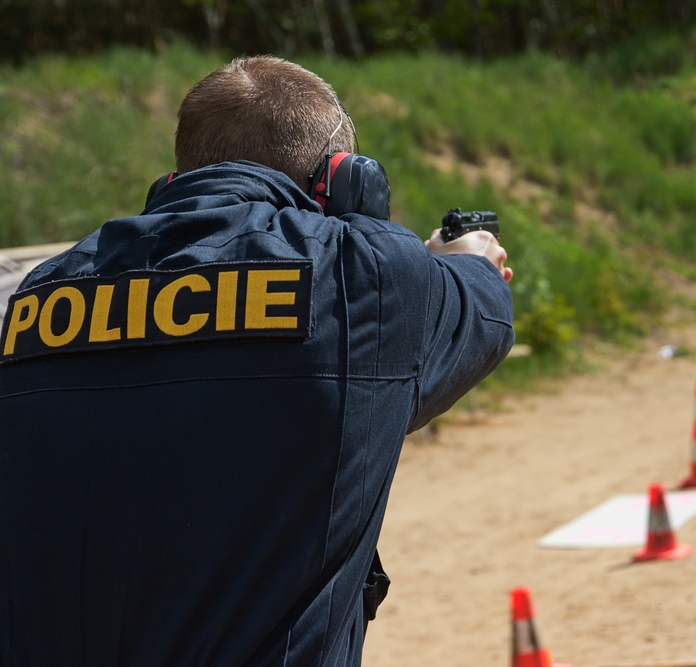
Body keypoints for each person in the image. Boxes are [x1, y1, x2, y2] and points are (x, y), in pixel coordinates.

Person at [0, 56, 514, 667]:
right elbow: (482, 308)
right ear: (345, 181)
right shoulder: (364, 273)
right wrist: (463, 256)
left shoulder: (41, 294)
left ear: (174, 179)